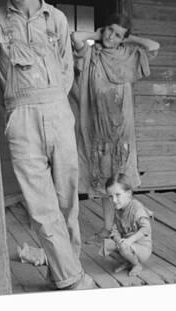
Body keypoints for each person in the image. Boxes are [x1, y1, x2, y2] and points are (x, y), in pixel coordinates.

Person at [0, 0, 95, 290]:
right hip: (20, 116)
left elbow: (66, 70)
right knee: (41, 205)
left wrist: (51, 104)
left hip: (58, 111)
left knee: (66, 202)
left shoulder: (57, 20)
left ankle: (61, 273)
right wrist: (12, 113)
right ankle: (73, 280)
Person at [70, 14, 159, 243]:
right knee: (104, 183)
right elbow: (76, 37)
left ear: (123, 39)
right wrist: (96, 35)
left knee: (123, 180)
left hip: (122, 131)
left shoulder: (128, 54)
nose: (111, 36)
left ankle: (130, 225)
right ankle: (108, 227)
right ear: (103, 29)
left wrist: (129, 40)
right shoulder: (92, 53)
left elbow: (153, 46)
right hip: (98, 129)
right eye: (109, 30)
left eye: (118, 34)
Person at [99, 174, 152, 276]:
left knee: (123, 247)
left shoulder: (136, 208)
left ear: (128, 193)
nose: (113, 200)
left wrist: (129, 241)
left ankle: (137, 264)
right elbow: (114, 230)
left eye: (118, 195)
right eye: (111, 196)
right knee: (107, 245)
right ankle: (128, 262)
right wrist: (118, 240)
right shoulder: (119, 209)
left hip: (141, 247)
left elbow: (146, 229)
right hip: (127, 244)